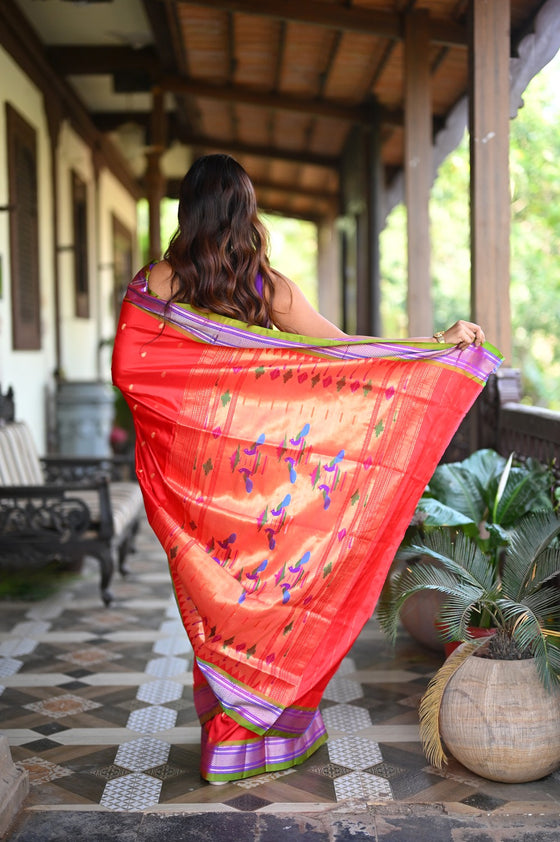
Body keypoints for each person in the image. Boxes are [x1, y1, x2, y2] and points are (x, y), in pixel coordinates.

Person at [112, 153, 500, 784]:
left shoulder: (157, 283)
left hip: (204, 478)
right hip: (262, 480)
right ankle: (264, 737)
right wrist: (434, 345)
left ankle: (228, 742)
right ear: (246, 213)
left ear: (189, 210)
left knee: (222, 602)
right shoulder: (268, 288)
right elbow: (346, 351)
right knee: (275, 595)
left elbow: (129, 368)